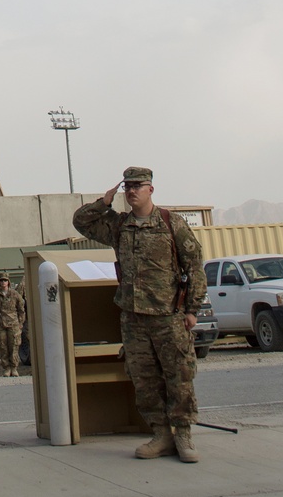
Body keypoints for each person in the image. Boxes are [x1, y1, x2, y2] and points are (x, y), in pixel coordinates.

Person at [73, 166, 206, 462]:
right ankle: (161, 435)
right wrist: (103, 203)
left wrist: (192, 310)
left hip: (169, 316)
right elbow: (80, 222)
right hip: (133, 318)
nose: (131, 191)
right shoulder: (119, 225)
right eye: (127, 187)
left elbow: (195, 267)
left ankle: (183, 434)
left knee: (179, 376)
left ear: (151, 190)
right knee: (144, 379)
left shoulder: (172, 223)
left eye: (138, 186)